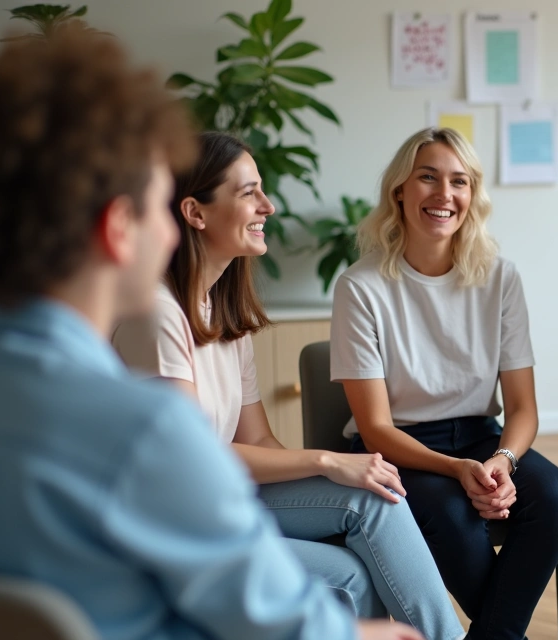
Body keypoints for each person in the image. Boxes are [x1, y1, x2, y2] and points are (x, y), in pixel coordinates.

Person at [0, 29, 419, 640]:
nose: (172, 232)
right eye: (160, 206)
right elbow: (276, 620)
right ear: (117, 228)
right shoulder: (139, 429)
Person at [111, 131, 463, 640]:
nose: (268, 206)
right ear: (195, 213)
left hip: (223, 500)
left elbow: (256, 442)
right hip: (174, 521)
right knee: (360, 525)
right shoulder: (158, 315)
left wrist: (327, 480)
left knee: (359, 544)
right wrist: (327, 462)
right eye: (249, 192)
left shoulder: (223, 313)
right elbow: (193, 458)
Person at [329, 127, 558, 640]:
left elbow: (524, 409)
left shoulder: (499, 277)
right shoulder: (360, 286)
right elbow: (374, 429)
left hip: (483, 438)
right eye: (428, 178)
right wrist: (456, 469)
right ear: (400, 190)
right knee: (448, 513)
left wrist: (501, 462)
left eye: (459, 182)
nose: (445, 195)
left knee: (555, 496)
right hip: (399, 449)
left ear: (472, 195)